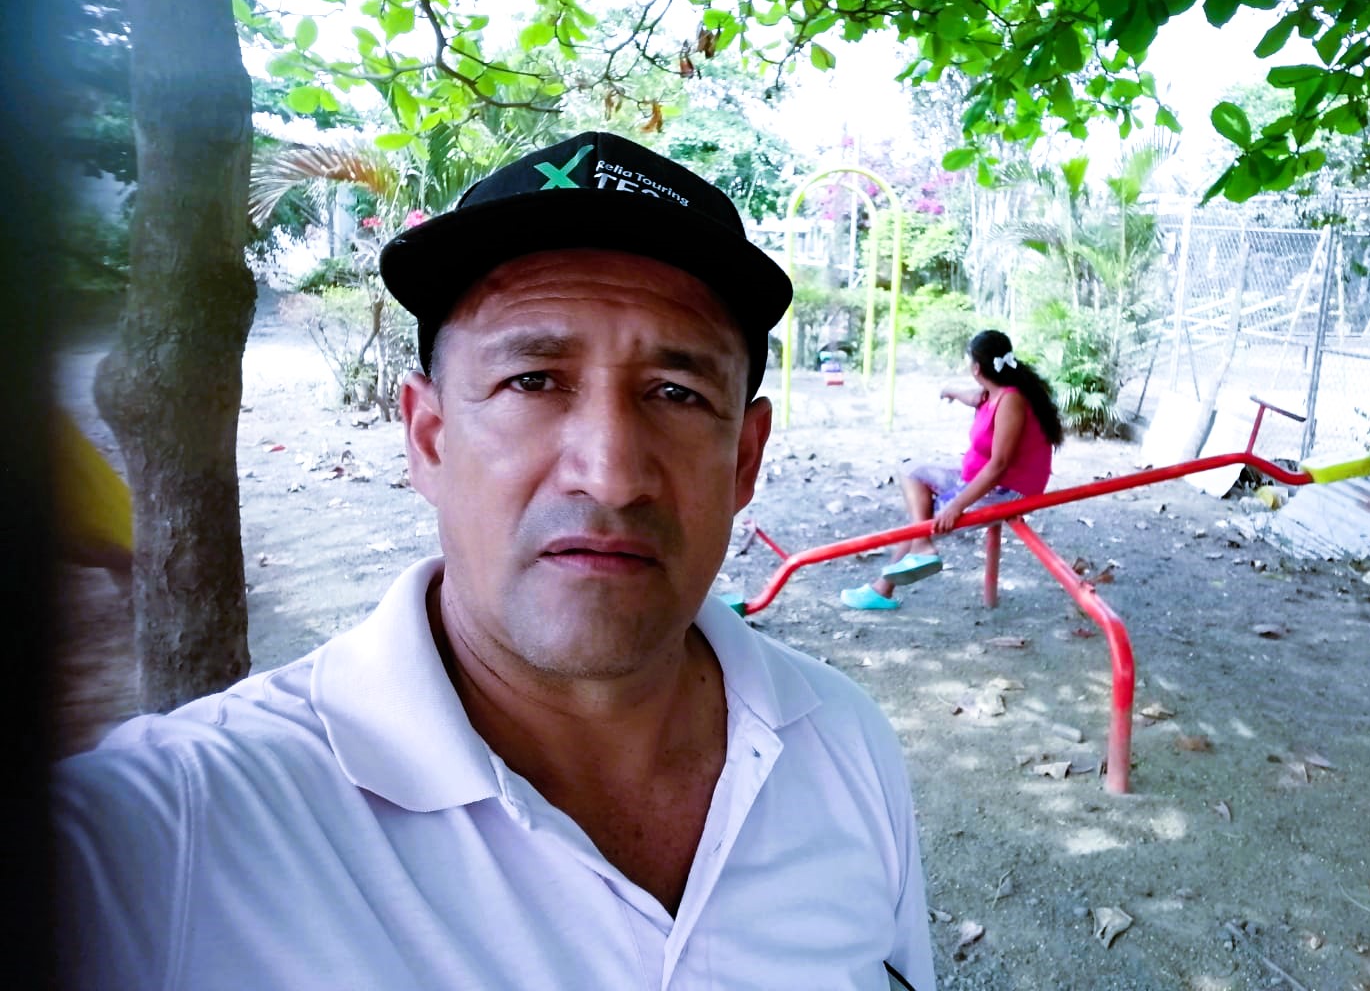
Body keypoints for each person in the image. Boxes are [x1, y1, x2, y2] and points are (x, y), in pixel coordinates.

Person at [54, 133, 936, 991]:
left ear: (743, 459)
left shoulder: (841, 741)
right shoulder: (176, 833)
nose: (610, 474)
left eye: (676, 393)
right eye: (531, 381)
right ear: (429, 438)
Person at [841, 330, 1064, 610]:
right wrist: (949, 390)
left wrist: (956, 506)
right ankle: (917, 550)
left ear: (976, 368)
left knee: (930, 514)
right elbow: (970, 396)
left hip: (1009, 489)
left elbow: (999, 465)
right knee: (911, 470)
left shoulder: (1010, 401)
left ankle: (884, 586)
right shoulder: (991, 393)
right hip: (982, 475)